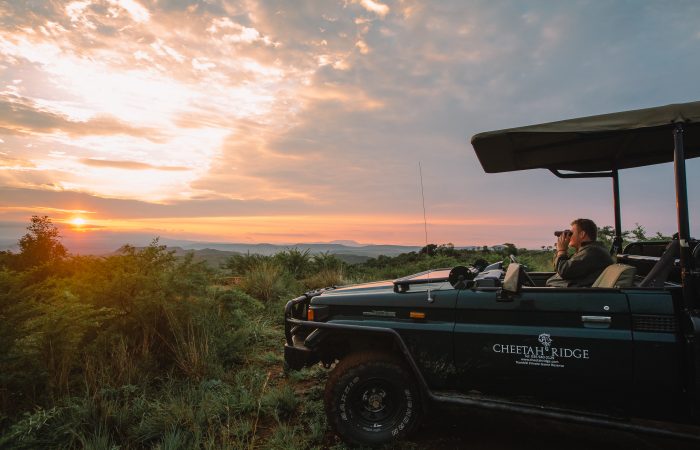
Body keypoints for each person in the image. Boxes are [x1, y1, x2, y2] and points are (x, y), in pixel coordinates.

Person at [546, 218, 613, 287]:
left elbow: (564, 271)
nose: (569, 236)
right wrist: (560, 251)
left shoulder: (592, 252)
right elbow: (559, 268)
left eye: (571, 233)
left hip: (580, 293)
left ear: (582, 234)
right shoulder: (589, 249)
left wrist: (562, 251)